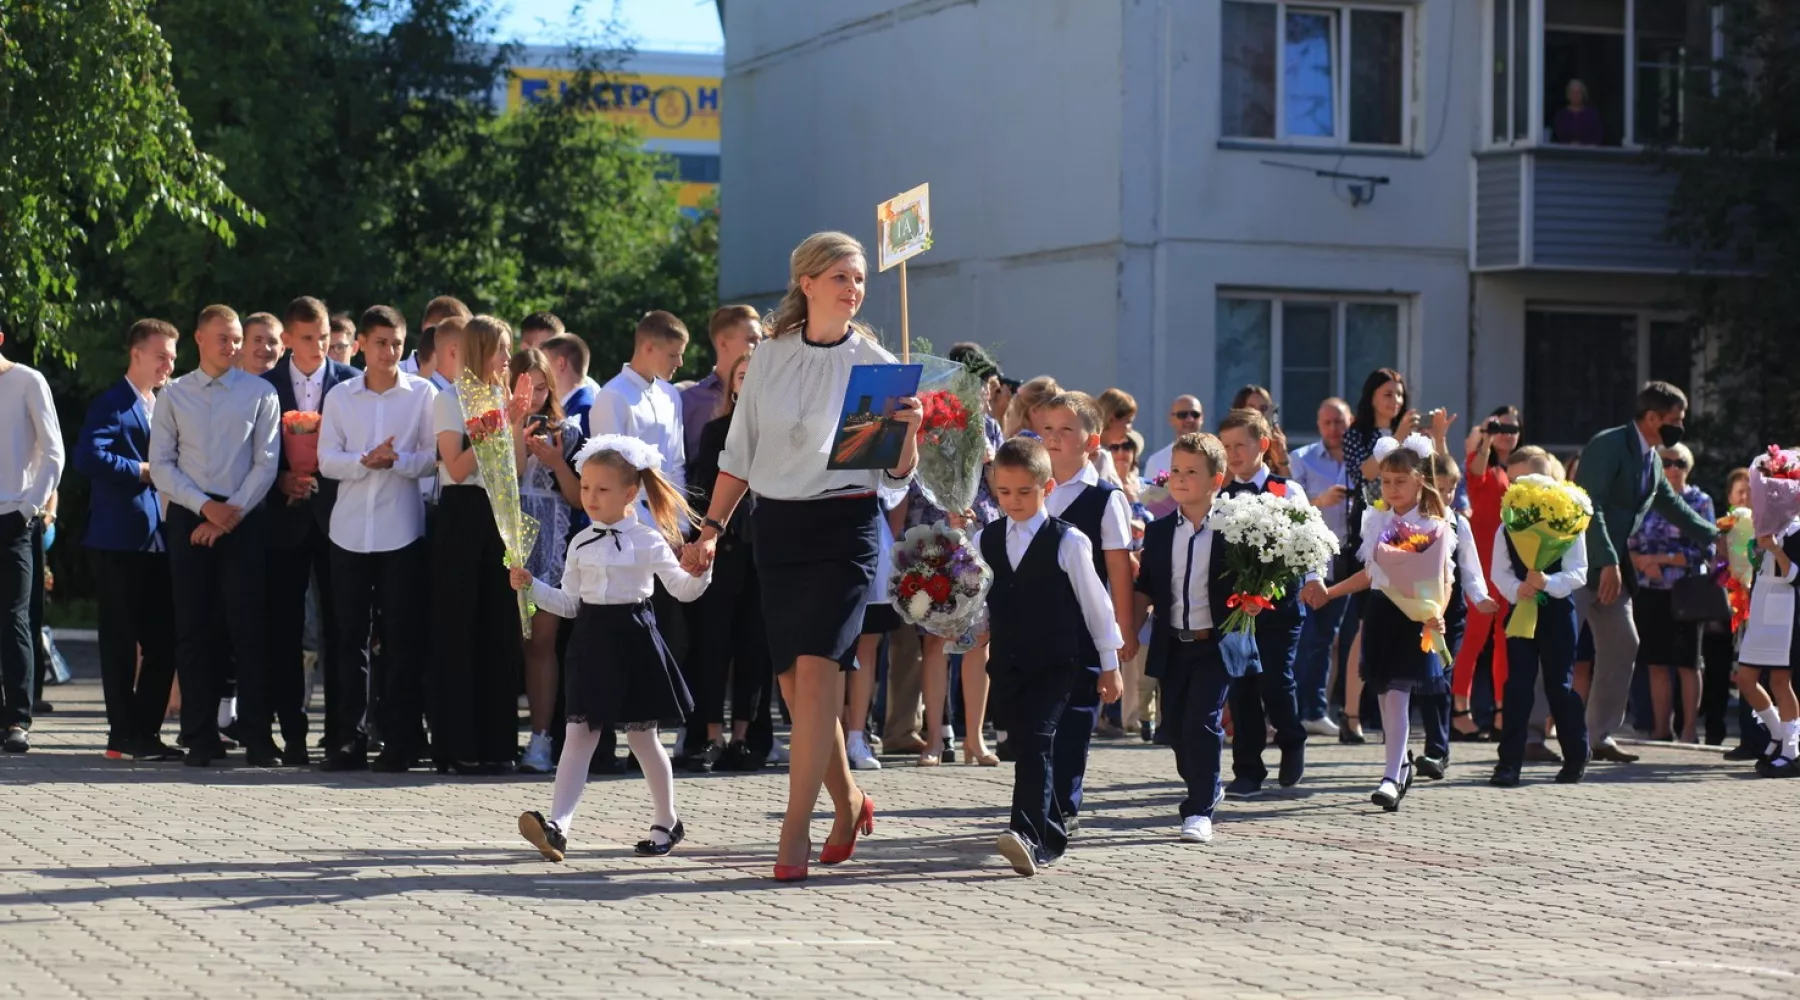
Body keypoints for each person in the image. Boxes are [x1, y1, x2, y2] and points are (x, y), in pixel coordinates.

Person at [683, 231, 921, 882]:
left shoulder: (877, 363)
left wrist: (907, 433)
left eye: (861, 278)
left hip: (845, 529)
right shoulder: (771, 357)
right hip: (777, 530)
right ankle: (848, 803)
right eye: (842, 277)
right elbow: (740, 455)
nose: (854, 288)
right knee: (796, 689)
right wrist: (709, 529)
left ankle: (795, 834)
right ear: (808, 283)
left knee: (819, 679)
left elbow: (893, 480)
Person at [516, 436, 710, 861]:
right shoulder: (579, 542)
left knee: (643, 738)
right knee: (579, 733)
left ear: (630, 493)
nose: (590, 498)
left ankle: (667, 821)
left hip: (635, 638)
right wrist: (533, 587)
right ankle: (558, 826)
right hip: (591, 641)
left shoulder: (648, 540)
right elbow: (569, 603)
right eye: (585, 488)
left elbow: (682, 589)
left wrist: (702, 571)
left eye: (601, 490)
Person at [976, 436, 1124, 874]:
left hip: (1057, 664)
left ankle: (1024, 833)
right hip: (1007, 666)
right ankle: (1053, 832)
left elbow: (1098, 605)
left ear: (1048, 487)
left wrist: (1110, 665)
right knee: (1025, 748)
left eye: (1025, 491)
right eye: (1004, 492)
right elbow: (979, 600)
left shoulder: (1068, 541)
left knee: (1038, 744)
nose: (1014, 501)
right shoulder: (986, 538)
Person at [150, 305, 281, 766]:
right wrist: (205, 508)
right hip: (191, 514)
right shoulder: (174, 395)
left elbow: (266, 462)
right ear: (199, 339)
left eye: (236, 338)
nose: (233, 346)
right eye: (223, 338)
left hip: (243, 516)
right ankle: (199, 735)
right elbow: (162, 464)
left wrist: (230, 513)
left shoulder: (260, 393)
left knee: (249, 629)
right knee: (194, 629)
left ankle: (259, 737)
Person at [316, 306, 438, 772]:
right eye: (381, 342)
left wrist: (397, 460)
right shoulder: (342, 396)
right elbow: (327, 459)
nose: (390, 351)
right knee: (348, 639)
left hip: (400, 531)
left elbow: (431, 459)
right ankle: (348, 739)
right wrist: (365, 460)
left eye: (397, 343)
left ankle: (400, 740)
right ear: (362, 343)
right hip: (348, 531)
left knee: (401, 639)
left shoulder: (423, 395)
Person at [1573, 381, 1718, 764]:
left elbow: (1670, 505)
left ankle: (1598, 736)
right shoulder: (1608, 444)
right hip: (1578, 563)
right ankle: (1531, 735)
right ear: (1651, 417)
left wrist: (1715, 534)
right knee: (1556, 648)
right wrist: (1605, 561)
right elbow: (1592, 506)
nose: (1679, 427)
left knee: (1623, 643)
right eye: (1674, 420)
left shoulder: (1653, 457)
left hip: (1611, 566)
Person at [1134, 431, 1254, 843]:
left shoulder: (1236, 530)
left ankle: (1198, 809)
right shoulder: (1161, 531)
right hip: (1174, 643)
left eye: (1192, 472)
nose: (1181, 480)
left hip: (1216, 644)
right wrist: (1128, 636)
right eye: (1177, 471)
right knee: (1176, 731)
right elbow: (1146, 587)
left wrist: (1257, 598)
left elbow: (1266, 578)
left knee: (1202, 722)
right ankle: (1208, 783)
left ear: (1216, 480)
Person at [1319, 434, 1450, 809]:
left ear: (1419, 481)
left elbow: (1440, 577)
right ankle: (1398, 766)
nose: (1392, 488)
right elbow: (1371, 573)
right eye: (1386, 481)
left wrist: (1435, 613)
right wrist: (1330, 592)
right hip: (1381, 613)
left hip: (1413, 616)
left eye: (1400, 481)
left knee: (1399, 697)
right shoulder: (1376, 519)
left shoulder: (1434, 524)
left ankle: (1392, 775)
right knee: (1387, 698)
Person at [1028, 392, 1136, 823]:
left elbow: (1119, 569)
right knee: (1037, 724)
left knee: (1074, 722)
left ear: (1092, 442)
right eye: (1048, 429)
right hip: (1034, 628)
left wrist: (1122, 631)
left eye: (1066, 430)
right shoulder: (1030, 488)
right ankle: (1038, 803)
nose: (1054, 439)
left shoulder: (1106, 498)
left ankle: (1063, 808)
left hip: (1084, 630)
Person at [75, 319, 179, 760]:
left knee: (164, 641)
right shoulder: (113, 403)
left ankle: (146, 731)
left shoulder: (165, 403)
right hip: (118, 541)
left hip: (158, 539)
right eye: (160, 356)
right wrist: (140, 470)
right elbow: (87, 456)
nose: (168, 365)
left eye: (173, 357)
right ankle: (122, 734)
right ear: (135, 354)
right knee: (120, 642)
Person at [431, 315, 530, 775]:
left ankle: (497, 743)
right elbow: (455, 465)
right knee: (459, 629)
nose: (508, 359)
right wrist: (498, 422)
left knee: (500, 630)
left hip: (501, 514)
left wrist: (517, 423)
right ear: (480, 350)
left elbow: (518, 468)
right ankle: (457, 744)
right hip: (464, 513)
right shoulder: (449, 399)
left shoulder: (501, 398)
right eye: (501, 349)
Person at [262, 295, 359, 764]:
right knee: (284, 630)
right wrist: (282, 477)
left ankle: (340, 734)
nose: (319, 346)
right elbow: (255, 451)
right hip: (284, 520)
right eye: (308, 338)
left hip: (340, 520)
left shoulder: (350, 384)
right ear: (287, 339)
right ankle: (293, 733)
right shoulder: (263, 386)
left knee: (342, 629)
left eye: (324, 337)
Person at [1216, 408, 1317, 796]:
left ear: (1263, 445)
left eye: (1240, 445)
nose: (1233, 453)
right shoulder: (1221, 496)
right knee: (1241, 687)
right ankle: (1248, 768)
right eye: (1226, 447)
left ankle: (1292, 741)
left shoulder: (1285, 490)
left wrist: (1313, 581)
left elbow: (1309, 544)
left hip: (1281, 607)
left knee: (1276, 681)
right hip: (1238, 610)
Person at [685, 353, 774, 771]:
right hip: (726, 550)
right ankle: (710, 736)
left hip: (766, 554)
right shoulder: (716, 431)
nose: (749, 380)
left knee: (755, 648)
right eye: (743, 374)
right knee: (714, 645)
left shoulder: (778, 433)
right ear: (734, 385)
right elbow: (702, 490)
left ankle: (743, 736)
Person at [1489, 446, 1592, 787]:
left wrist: (1548, 582)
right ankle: (1509, 764)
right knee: (1517, 686)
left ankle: (1576, 755)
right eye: (1514, 482)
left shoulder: (1567, 521)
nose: (1520, 489)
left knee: (1559, 686)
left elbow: (1579, 572)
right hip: (1521, 613)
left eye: (1528, 481)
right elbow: (1499, 572)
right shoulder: (1507, 526)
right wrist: (1519, 589)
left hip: (1558, 613)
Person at [510, 347, 586, 774]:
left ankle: (541, 738)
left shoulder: (567, 432)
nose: (535, 396)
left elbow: (578, 499)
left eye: (541, 388)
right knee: (509, 644)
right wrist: (515, 423)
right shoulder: (498, 424)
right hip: (506, 537)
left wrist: (556, 461)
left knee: (541, 641)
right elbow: (510, 476)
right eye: (526, 387)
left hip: (549, 541)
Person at [1337, 368, 1418, 743]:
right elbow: (1364, 472)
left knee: (1404, 625)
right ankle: (1351, 712)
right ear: (1372, 397)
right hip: (1372, 533)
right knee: (1367, 625)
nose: (1395, 401)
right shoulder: (1359, 434)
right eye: (1388, 394)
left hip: (1411, 535)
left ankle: (1393, 717)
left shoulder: (1412, 438)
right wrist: (1396, 440)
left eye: (1399, 395)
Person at [0, 325, 66, 752]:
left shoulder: (27, 380)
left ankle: (17, 720)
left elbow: (53, 452)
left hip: (13, 518)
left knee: (13, 618)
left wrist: (27, 509)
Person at [1627, 442, 1714, 743]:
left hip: (1687, 591)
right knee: (1656, 662)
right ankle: (1661, 728)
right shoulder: (1646, 498)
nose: (1673, 469)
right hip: (1650, 589)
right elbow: (1631, 538)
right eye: (1666, 463)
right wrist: (1641, 561)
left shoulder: (1699, 501)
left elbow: (1706, 547)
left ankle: (1689, 729)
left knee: (1688, 662)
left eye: (1680, 464)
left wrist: (1659, 560)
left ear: (1688, 469)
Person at [1454, 406, 1522, 738]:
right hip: (1480, 566)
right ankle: (1459, 710)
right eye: (1500, 428)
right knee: (1473, 639)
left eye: (1513, 428)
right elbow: (1475, 472)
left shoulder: (1516, 470)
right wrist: (1485, 440)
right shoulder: (1481, 462)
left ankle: (1500, 711)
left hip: (1505, 567)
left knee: (1504, 641)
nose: (1507, 433)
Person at [1290, 398, 1354, 737]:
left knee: (1329, 638)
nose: (1334, 429)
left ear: (1350, 422)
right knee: (1306, 636)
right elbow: (1288, 508)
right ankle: (1298, 710)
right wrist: (1320, 501)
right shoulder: (1302, 459)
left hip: (1346, 557)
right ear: (1318, 425)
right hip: (1309, 559)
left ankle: (1316, 709)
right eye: (1327, 422)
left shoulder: (1361, 460)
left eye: (1339, 422)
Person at [1734, 514, 1800, 776]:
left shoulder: (1795, 531)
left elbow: (1795, 576)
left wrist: (1774, 548)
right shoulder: (1763, 524)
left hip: (1785, 611)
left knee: (1780, 681)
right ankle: (1777, 734)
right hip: (1761, 606)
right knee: (1745, 678)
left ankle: (1792, 751)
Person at [682, 304, 763, 462]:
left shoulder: (772, 394)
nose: (760, 347)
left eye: (761, 340)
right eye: (752, 340)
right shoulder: (689, 402)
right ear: (723, 343)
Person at [1141, 395, 1205, 483]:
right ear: (1171, 419)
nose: (1190, 419)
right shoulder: (1156, 461)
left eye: (1195, 414)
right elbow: (1149, 495)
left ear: (1202, 418)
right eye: (1182, 415)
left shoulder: (1214, 457)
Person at [542, 333, 595, 435]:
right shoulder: (573, 405)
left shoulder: (584, 411)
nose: (541, 370)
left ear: (560, 363)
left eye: (544, 363)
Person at [1231, 385, 1290, 477]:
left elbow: (1287, 487)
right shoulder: (1227, 441)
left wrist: (1282, 455)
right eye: (1252, 407)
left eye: (1263, 408)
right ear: (1240, 410)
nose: (1258, 413)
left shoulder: (1274, 444)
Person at [1552, 79, 1603, 146]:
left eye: (1579, 92)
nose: (1575, 95)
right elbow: (1556, 138)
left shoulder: (1592, 114)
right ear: (1568, 95)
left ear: (1583, 94)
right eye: (1572, 92)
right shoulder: (1561, 115)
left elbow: (1598, 137)